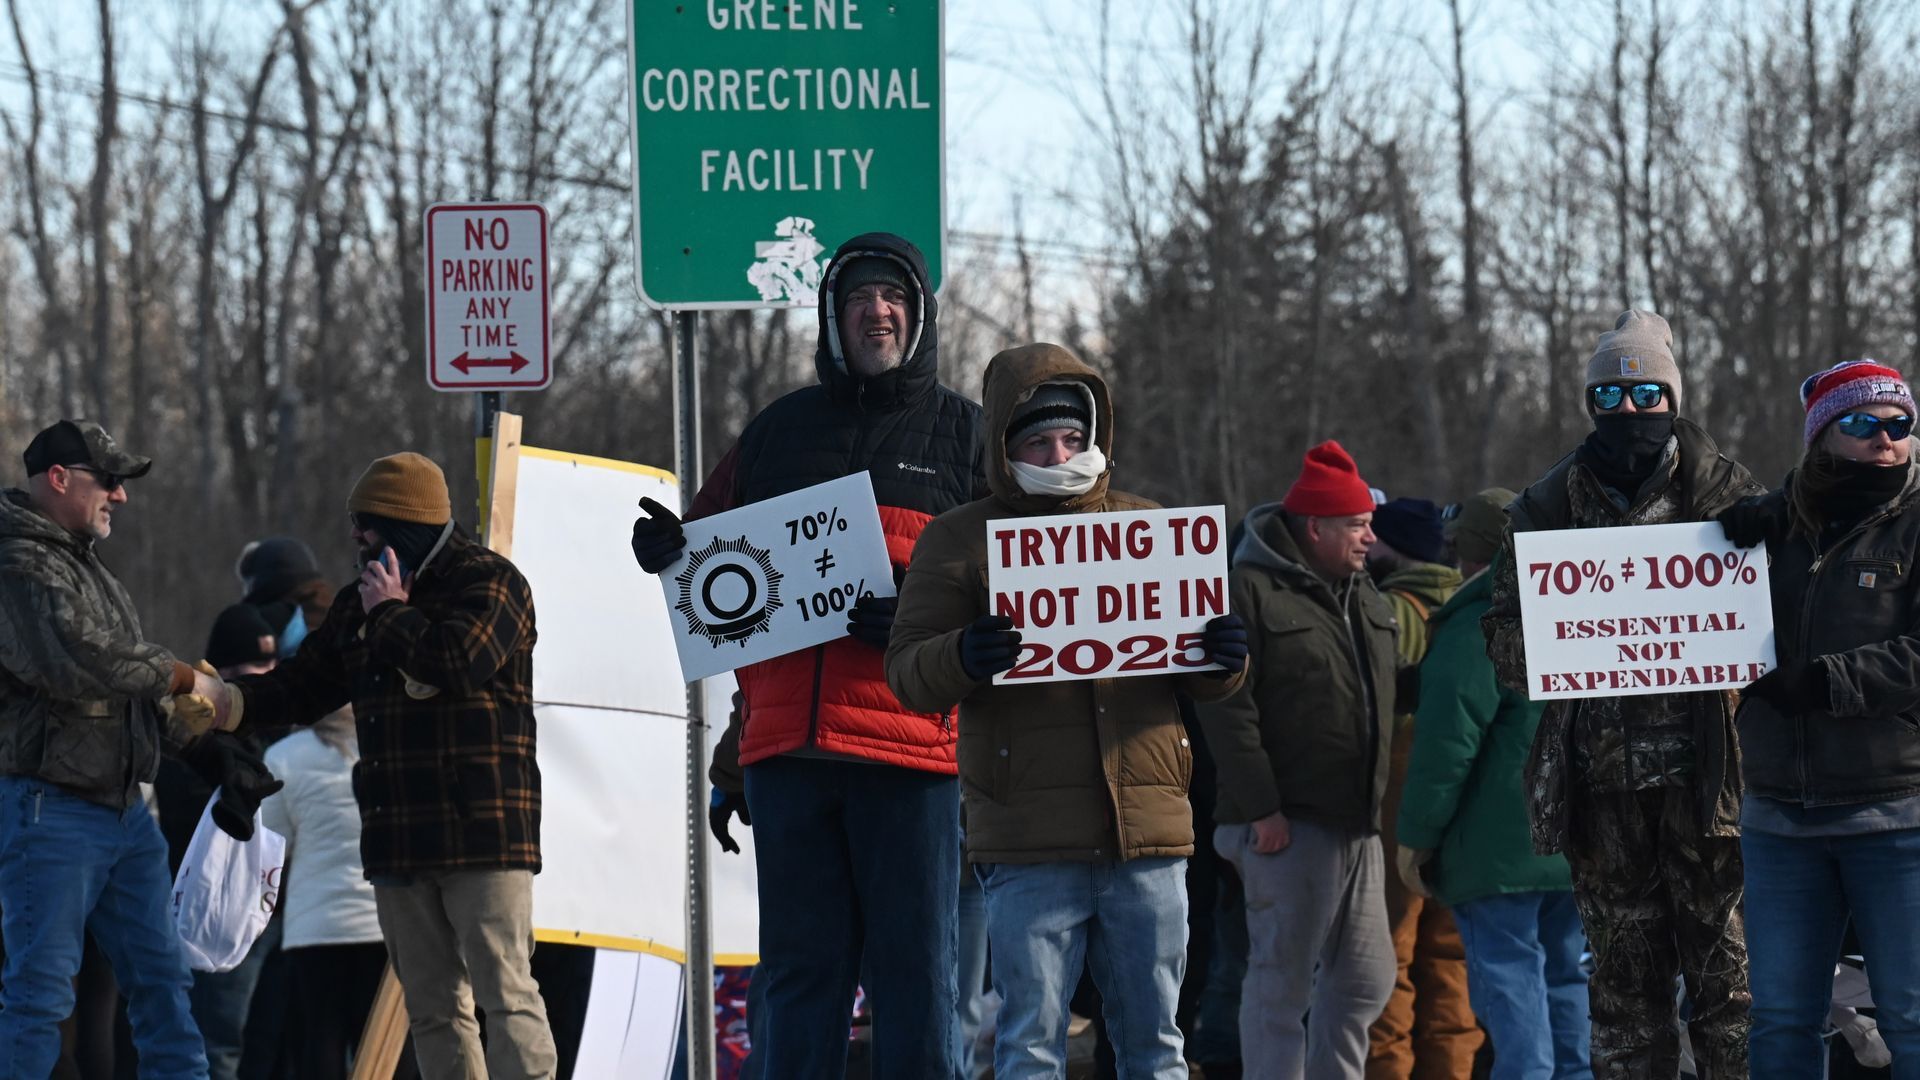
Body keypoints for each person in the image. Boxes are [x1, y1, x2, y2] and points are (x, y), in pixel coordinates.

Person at [633, 233, 983, 1078]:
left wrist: (917, 621)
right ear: (832, 319)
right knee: (798, 982)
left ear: (920, 313)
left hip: (912, 753)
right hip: (787, 758)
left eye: (892, 297)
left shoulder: (966, 439)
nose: (877, 311)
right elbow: (714, 565)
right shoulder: (776, 432)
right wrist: (665, 544)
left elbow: (1008, 599)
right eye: (858, 299)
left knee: (915, 981)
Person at [885, 342, 1249, 1078]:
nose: (1059, 453)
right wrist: (964, 654)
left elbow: (1203, 681)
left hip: (1146, 837)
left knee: (1157, 1046)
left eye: (1073, 438)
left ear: (1096, 438)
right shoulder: (959, 540)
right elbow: (906, 673)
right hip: (1027, 844)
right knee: (1031, 1046)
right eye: (1038, 440)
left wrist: (1224, 659)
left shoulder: (1149, 529)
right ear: (1003, 447)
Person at [217, 451, 558, 1080]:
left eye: (367, 523)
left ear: (406, 524)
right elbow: (301, 687)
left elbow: (457, 662)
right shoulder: (358, 603)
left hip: (483, 836)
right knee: (432, 1009)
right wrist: (226, 703)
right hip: (400, 841)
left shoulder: (492, 582)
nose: (356, 537)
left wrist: (392, 615)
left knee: (505, 997)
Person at [1484, 310, 1758, 1078]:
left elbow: (1776, 623)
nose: (1629, 411)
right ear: (1589, 403)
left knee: (1729, 993)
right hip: (1600, 791)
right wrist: (1563, 635)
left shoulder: (1731, 497)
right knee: (1622, 997)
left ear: (1672, 398)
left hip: (1713, 791)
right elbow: (1501, 642)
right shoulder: (1543, 511)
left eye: (1645, 393)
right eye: (1610, 395)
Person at [0, 419, 244, 1076]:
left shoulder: (84, 566)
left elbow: (114, 695)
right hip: (51, 808)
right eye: (110, 480)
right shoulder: (19, 562)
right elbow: (85, 661)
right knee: (40, 994)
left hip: (123, 813)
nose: (122, 495)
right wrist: (187, 677)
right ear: (59, 479)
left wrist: (198, 749)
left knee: (164, 983)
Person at [1715, 360, 1920, 1076]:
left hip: (1895, 817)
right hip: (1779, 820)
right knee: (1778, 1020)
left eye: (1900, 425)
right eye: (1862, 424)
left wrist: (1826, 682)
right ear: (1822, 437)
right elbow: (1686, 619)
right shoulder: (1773, 530)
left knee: (1910, 1016)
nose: (1884, 440)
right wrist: (1720, 541)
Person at [1198, 439, 1400, 1080]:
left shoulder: (1364, 594)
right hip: (1285, 824)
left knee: (1367, 980)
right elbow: (1226, 708)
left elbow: (1381, 687)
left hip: (1354, 820)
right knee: (1280, 988)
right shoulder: (1247, 589)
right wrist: (1262, 809)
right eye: (1358, 525)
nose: (1371, 537)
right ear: (1316, 526)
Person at [1396, 487, 1590, 1080]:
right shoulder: (1584, 608)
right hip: (1578, 837)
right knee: (1566, 975)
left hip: (1497, 845)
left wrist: (1418, 837)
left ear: (1472, 551)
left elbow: (1447, 744)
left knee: (1509, 982)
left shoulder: (1479, 621)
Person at [1362, 497, 1479, 1080]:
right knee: (1452, 957)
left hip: (1401, 798)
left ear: (1395, 549)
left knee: (1388, 954)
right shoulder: (1474, 605)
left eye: (1374, 541)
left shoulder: (1386, 608)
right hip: (1470, 800)